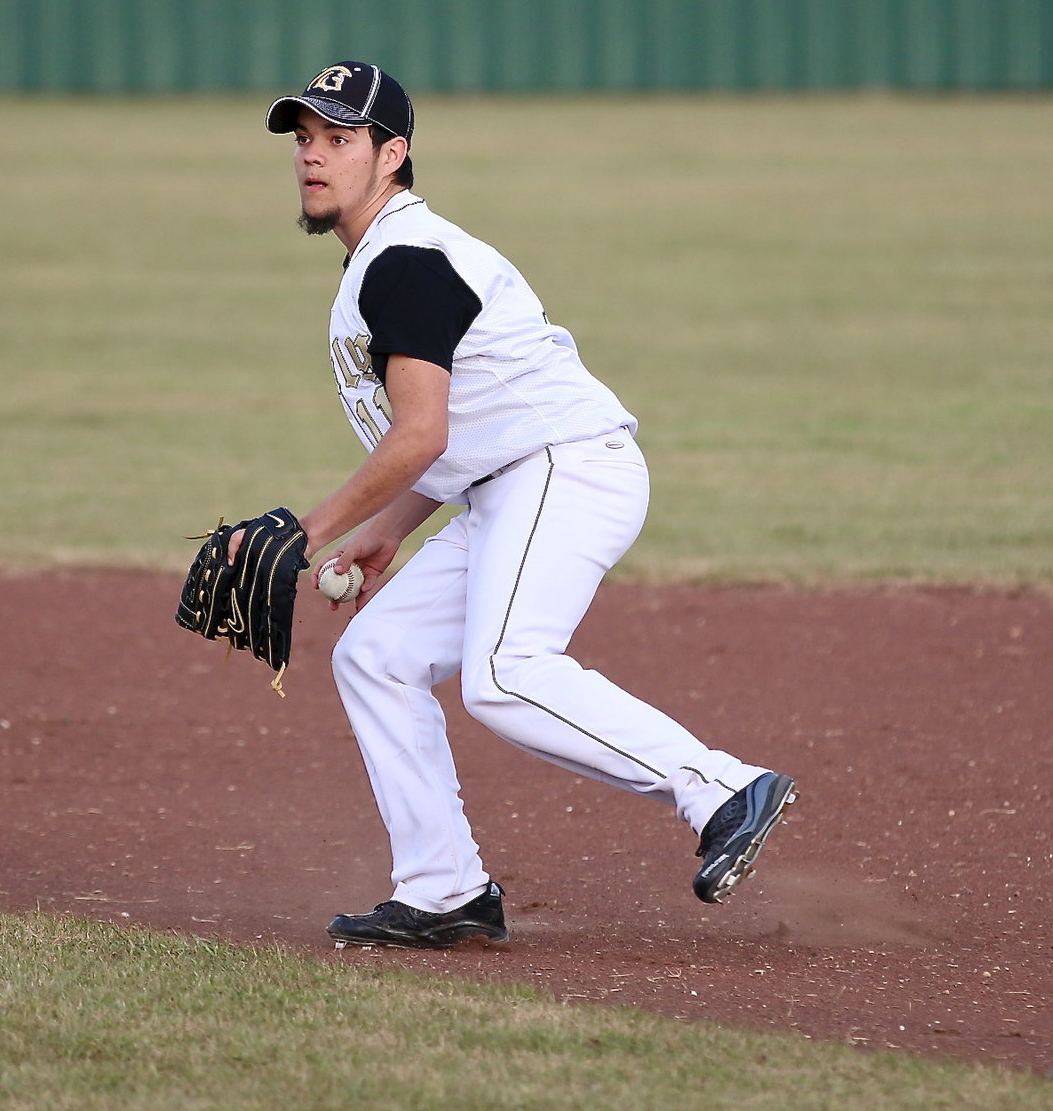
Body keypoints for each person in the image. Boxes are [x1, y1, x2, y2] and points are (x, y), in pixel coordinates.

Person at [240, 61, 797, 950]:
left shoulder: (405, 264)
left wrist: (304, 533)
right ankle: (443, 887)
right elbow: (455, 433)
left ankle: (720, 787)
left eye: (339, 139)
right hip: (513, 482)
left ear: (394, 154)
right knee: (377, 657)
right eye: (304, 140)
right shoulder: (385, 260)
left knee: (502, 675)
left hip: (562, 473)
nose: (313, 158)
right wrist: (384, 533)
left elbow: (419, 435)